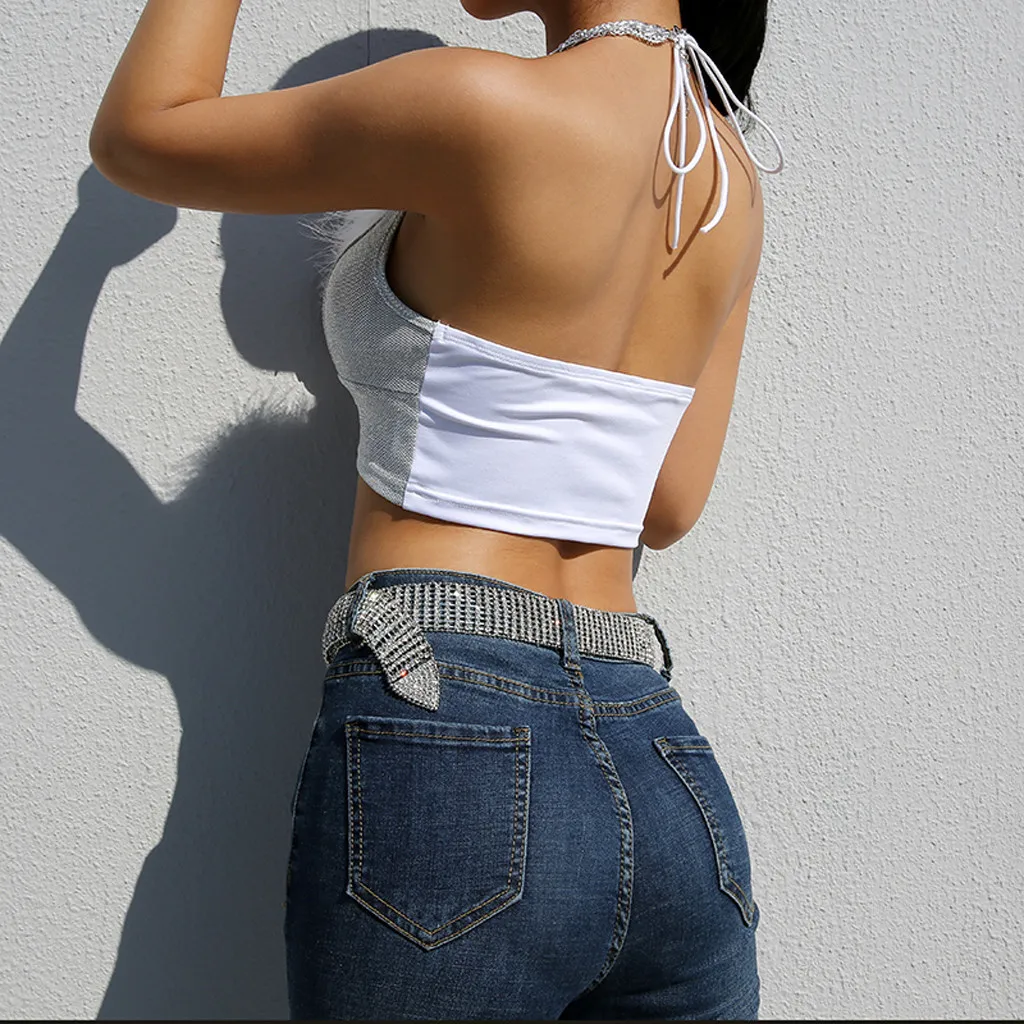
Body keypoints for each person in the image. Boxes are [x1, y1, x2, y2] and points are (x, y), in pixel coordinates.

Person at [90, 0, 784, 1018]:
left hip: (452, 733)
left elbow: (142, 134)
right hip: (661, 759)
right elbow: (668, 502)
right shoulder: (727, 179)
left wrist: (84, 258)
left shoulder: (475, 102)